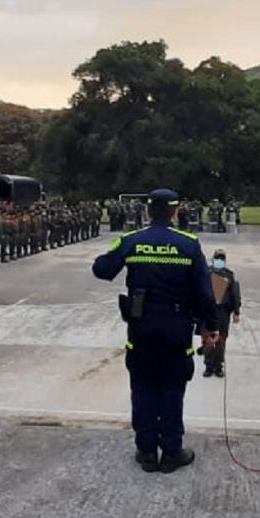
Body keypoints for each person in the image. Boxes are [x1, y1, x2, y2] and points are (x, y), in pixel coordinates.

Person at [92, 188, 219, 474]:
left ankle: (147, 452)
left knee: (144, 387)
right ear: (175, 212)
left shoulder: (132, 241)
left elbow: (101, 269)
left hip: (141, 329)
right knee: (173, 389)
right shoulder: (189, 244)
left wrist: (120, 249)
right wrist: (209, 328)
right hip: (177, 329)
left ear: (148, 212)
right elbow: (205, 294)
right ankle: (172, 452)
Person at [201, 249, 241, 378]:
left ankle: (218, 366)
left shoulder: (228, 275)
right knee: (208, 339)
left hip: (222, 312)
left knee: (221, 339)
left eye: (221, 258)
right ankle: (209, 365)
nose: (219, 260)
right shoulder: (206, 273)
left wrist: (236, 311)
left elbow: (235, 294)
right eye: (218, 258)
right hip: (208, 311)